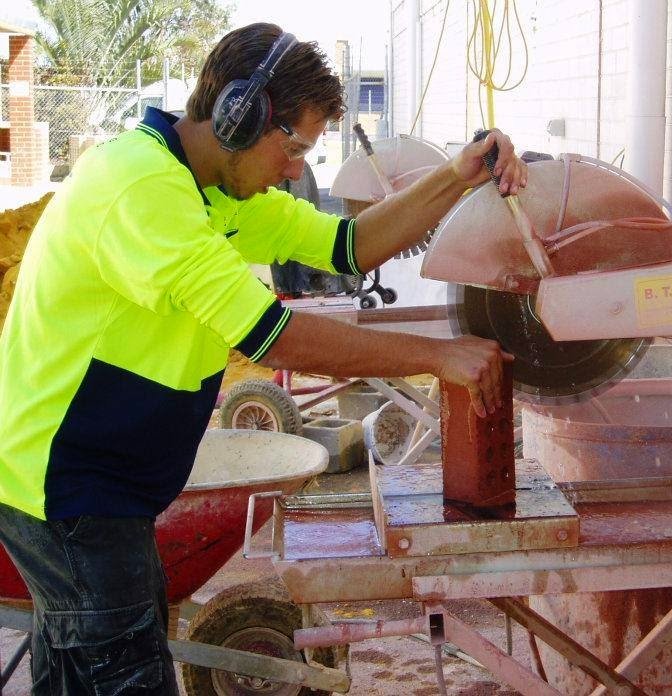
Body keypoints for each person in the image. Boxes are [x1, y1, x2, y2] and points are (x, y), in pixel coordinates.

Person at [0, 22, 525, 694]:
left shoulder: (211, 189)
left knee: (81, 671)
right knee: (123, 675)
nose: (297, 169)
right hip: (67, 486)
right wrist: (438, 356)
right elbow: (272, 336)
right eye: (294, 146)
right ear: (239, 114)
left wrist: (457, 177)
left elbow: (348, 245)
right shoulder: (142, 188)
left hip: (98, 483)